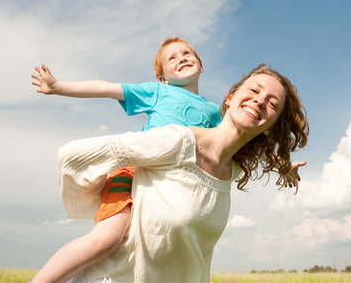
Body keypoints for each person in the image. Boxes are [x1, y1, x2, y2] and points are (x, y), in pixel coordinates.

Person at [57, 64, 309, 283]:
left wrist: (285, 168)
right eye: (254, 91)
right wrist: (119, 195)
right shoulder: (177, 140)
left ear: (270, 127)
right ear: (231, 97)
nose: (260, 100)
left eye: (272, 103)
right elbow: (74, 157)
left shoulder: (231, 169)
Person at [30, 37, 221, 283]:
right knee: (107, 239)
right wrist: (58, 87)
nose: (182, 58)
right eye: (171, 58)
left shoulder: (215, 113)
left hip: (169, 188)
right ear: (163, 78)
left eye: (187, 53)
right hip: (131, 174)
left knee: (151, 248)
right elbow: (105, 88)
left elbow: (240, 142)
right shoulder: (160, 92)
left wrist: (282, 167)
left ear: (201, 65)